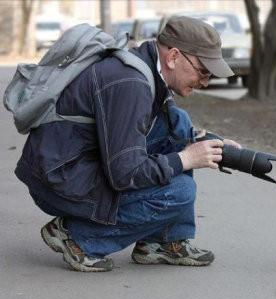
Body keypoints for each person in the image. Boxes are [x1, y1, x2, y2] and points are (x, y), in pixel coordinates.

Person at [15, 16, 241, 272]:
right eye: (203, 71)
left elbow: (169, 132)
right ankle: (77, 236)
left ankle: (161, 243)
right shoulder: (130, 83)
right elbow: (125, 173)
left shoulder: (144, 68)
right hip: (60, 181)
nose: (206, 82)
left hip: (72, 163)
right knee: (179, 192)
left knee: (178, 123)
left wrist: (212, 145)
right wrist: (186, 158)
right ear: (174, 56)